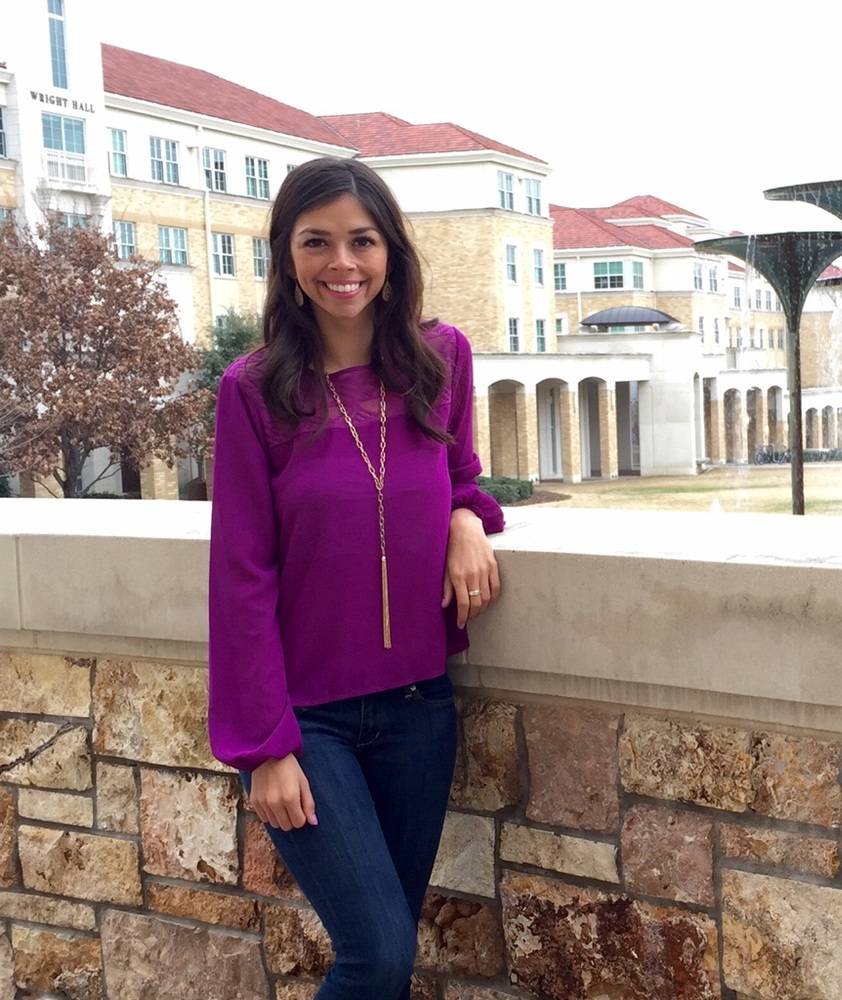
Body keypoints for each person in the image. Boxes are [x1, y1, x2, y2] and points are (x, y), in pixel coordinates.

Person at [207, 156, 503, 1000]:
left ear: (391, 252)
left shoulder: (440, 359)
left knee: (388, 958)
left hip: (419, 713)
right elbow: (240, 574)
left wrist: (463, 518)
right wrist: (267, 748)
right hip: (310, 725)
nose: (343, 262)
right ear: (287, 257)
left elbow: (462, 474)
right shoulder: (254, 390)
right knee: (377, 957)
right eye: (318, 242)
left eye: (362, 240)